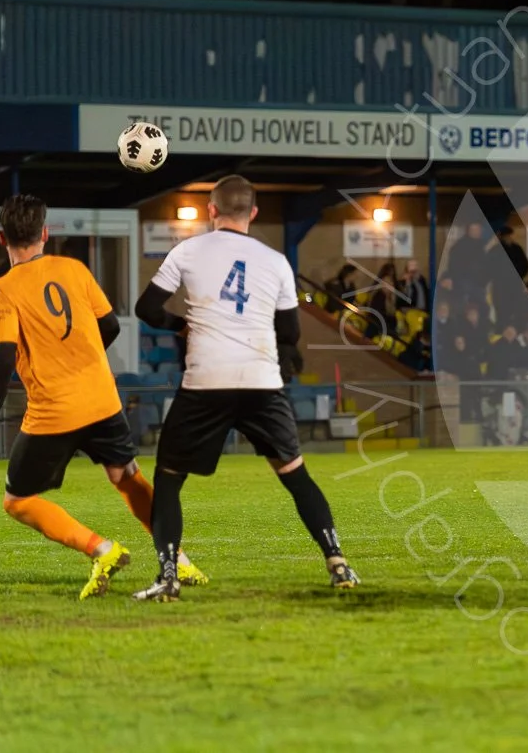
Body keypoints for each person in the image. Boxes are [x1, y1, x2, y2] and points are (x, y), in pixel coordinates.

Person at [132, 175, 359, 601]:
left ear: (211, 210)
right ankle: (338, 561)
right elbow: (289, 330)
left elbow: (146, 308)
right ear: (253, 213)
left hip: (206, 381)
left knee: (168, 480)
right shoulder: (275, 261)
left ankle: (168, 576)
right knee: (295, 475)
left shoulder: (188, 250)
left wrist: (181, 323)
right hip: (260, 380)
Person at [0, 195, 205, 597]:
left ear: (0, 239)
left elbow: (3, 355)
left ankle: (101, 549)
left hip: (54, 411)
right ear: (44, 233)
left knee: (16, 500)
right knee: (126, 477)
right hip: (101, 399)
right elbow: (111, 325)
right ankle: (178, 561)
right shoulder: (74, 269)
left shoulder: (1, 291)